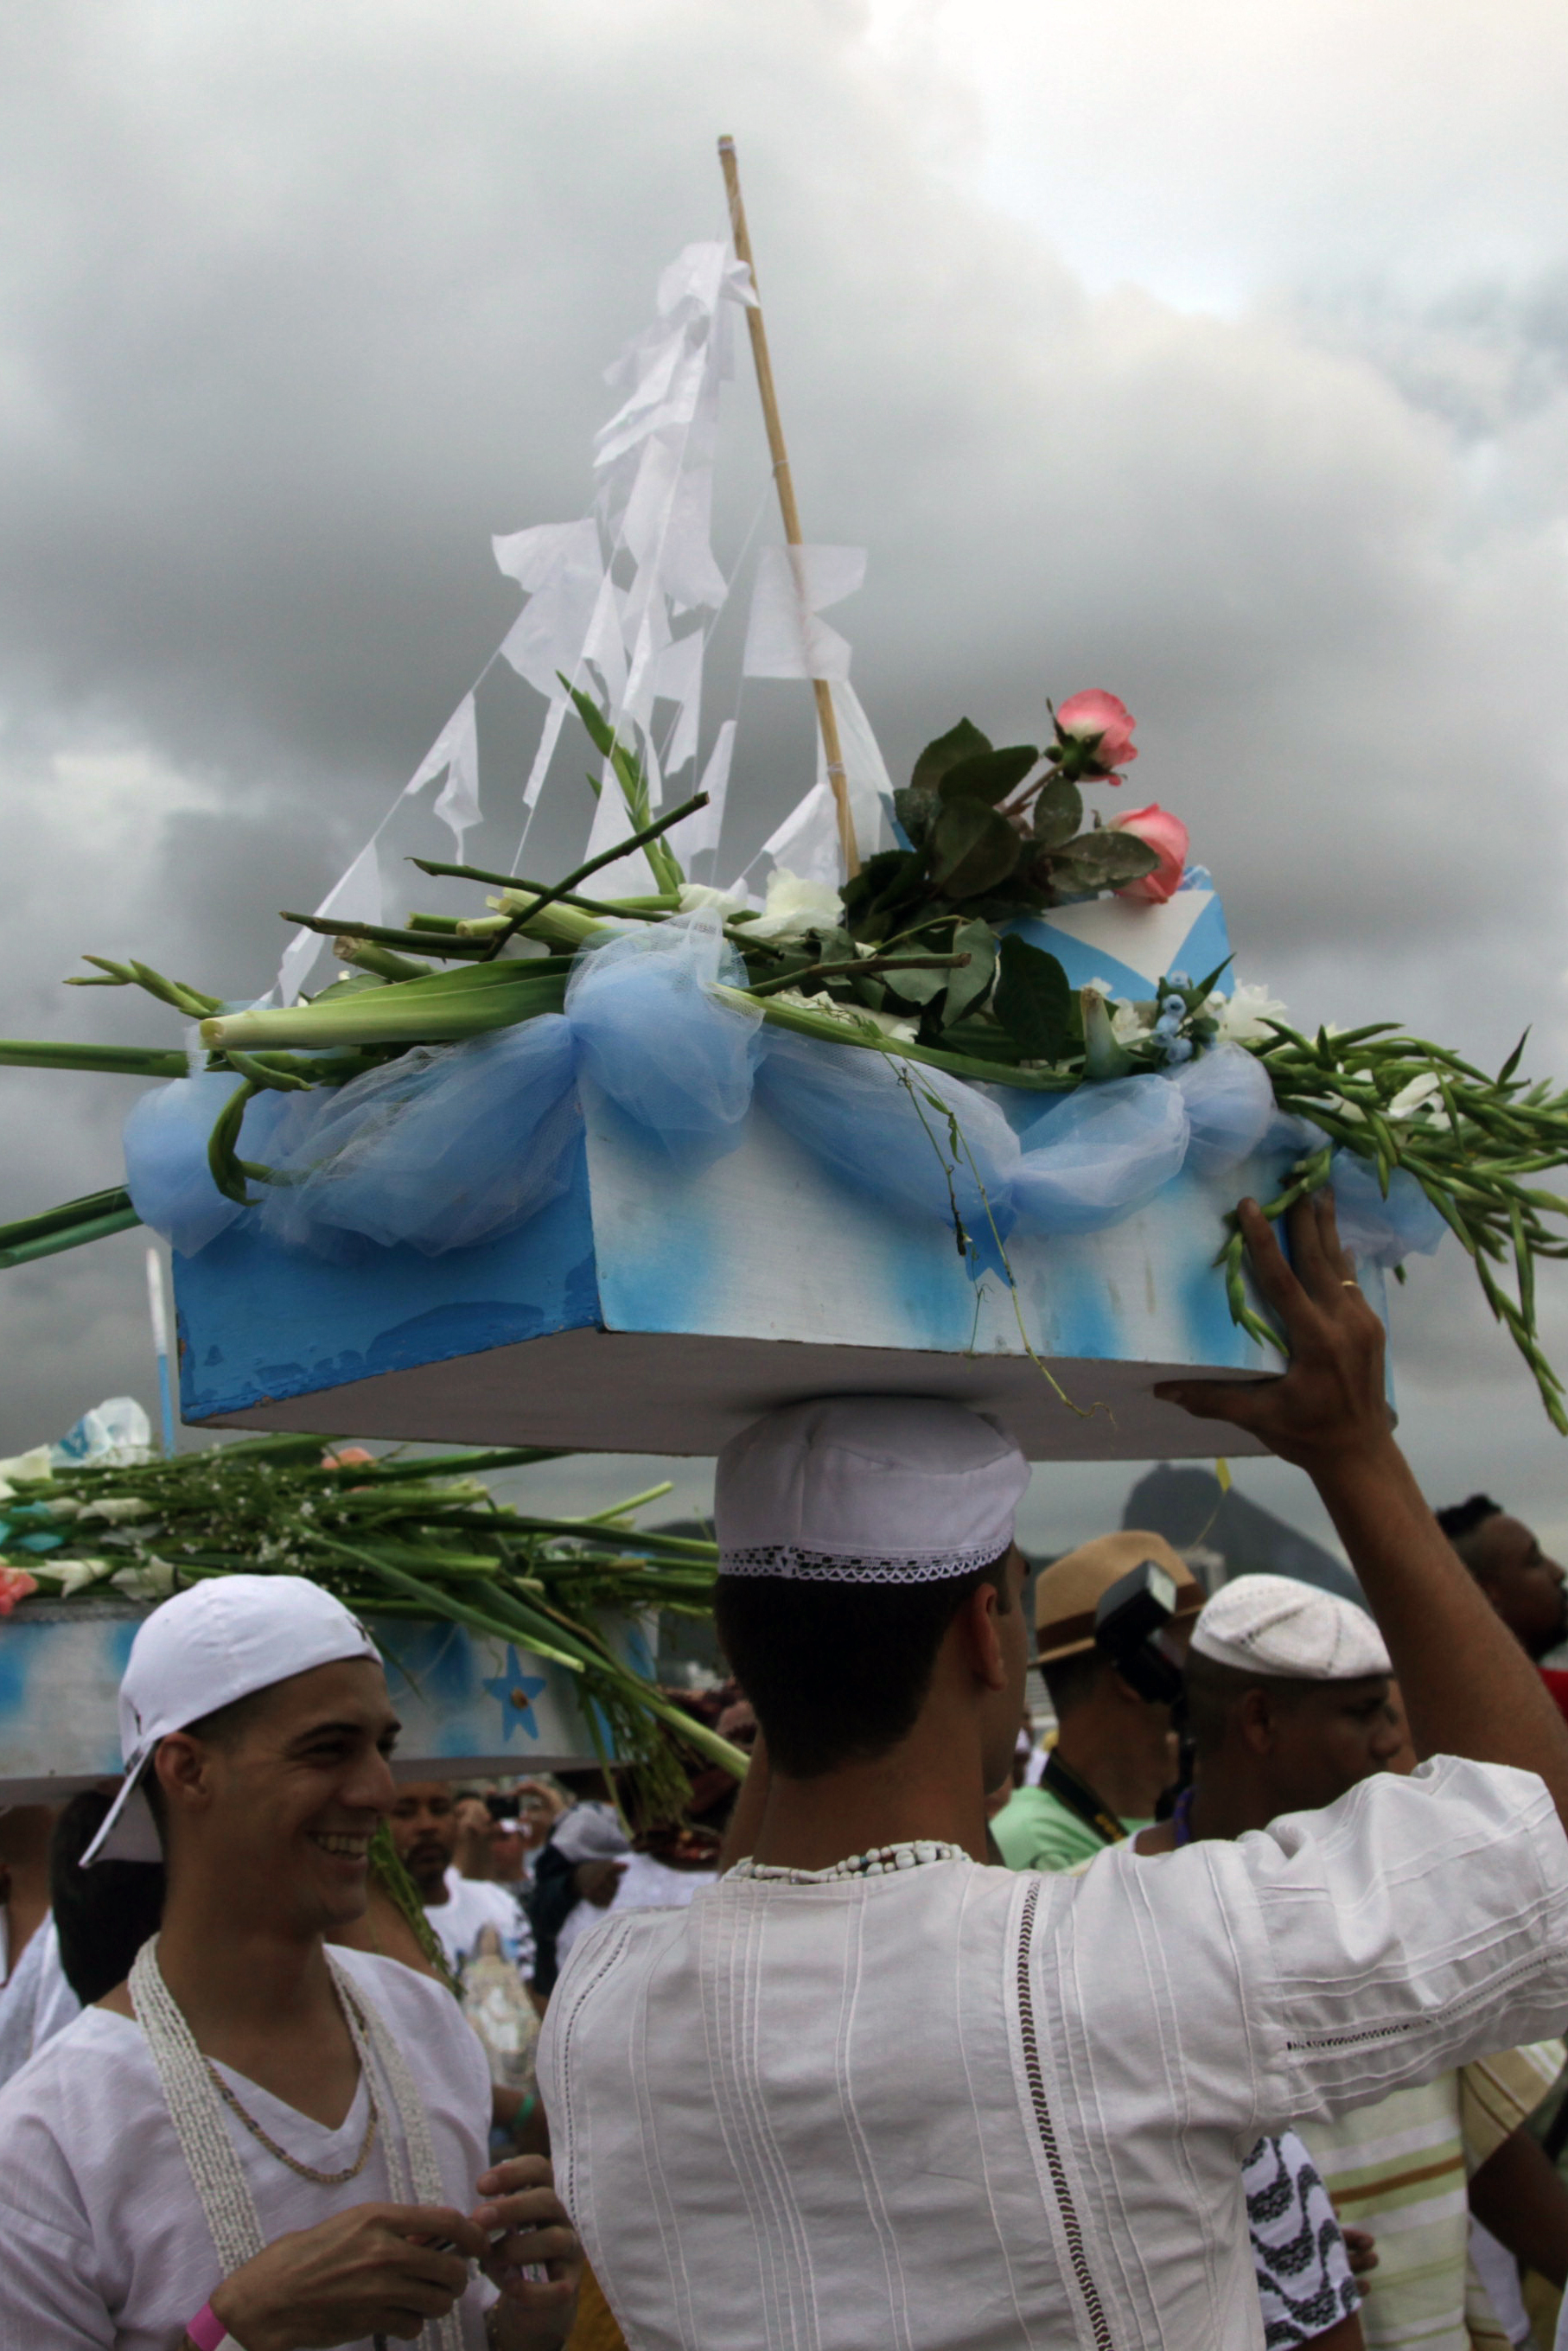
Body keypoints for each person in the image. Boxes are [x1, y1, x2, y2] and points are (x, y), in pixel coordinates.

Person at [539, 1194, 1568, 2351]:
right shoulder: (1126, 1972)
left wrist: (803, 1641)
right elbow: (1535, 1844)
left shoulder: (602, 2005)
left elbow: (765, 1917)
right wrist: (1353, 1446)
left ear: (746, 1657)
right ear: (987, 1638)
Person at [0, 1572, 581, 2350]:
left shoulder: (423, 2019)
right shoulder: (49, 2136)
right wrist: (234, 2330)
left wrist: (524, 2327)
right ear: (188, 1770)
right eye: (328, 1750)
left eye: (383, 1748)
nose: (378, 1790)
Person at [1134, 1577, 1568, 2351]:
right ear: (1261, 1721)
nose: (1391, 1741)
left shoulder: (1412, 1901)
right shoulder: (1109, 1916)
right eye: (1364, 1713)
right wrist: (1269, 2248)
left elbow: (1491, 2151)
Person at [991, 1530, 1204, 1872]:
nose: (1213, 1676)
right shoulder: (1030, 1850)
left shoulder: (1179, 1814)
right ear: (1139, 1673)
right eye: (1197, 1654)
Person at [390, 1780, 537, 1982]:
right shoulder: (366, 1928)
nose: (427, 1826)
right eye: (405, 1813)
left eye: (439, 1810)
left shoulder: (499, 1904)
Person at [1437, 1495, 1568, 1715]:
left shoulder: (1436, 1704)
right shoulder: (1555, 1702)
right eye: (1534, 1561)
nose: (1558, 1572)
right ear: (1484, 1594)